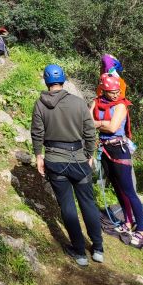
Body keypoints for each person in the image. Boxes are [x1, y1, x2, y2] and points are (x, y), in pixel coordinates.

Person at [31, 64, 104, 266]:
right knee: (88, 203)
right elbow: (90, 132)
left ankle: (79, 252)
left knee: (67, 205)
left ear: (46, 81)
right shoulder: (79, 103)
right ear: (63, 80)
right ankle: (98, 249)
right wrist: (90, 154)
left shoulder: (40, 104)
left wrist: (39, 156)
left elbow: (37, 133)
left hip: (55, 160)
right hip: (80, 160)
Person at [91, 73, 143, 248]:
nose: (115, 94)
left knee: (129, 191)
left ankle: (142, 231)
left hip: (119, 150)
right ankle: (128, 222)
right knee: (117, 188)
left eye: (117, 91)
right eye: (111, 92)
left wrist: (98, 123)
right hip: (105, 149)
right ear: (104, 90)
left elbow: (113, 127)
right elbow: (86, 120)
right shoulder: (96, 102)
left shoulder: (121, 105)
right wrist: (102, 123)